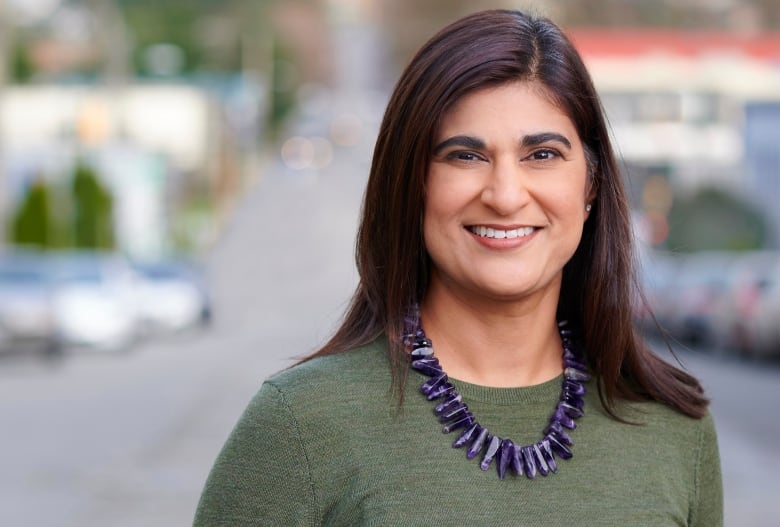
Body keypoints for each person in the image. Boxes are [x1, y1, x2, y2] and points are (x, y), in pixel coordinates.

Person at [194, 9, 723, 526]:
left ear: (590, 185)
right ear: (412, 185)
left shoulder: (675, 429)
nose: (506, 195)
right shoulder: (299, 428)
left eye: (541, 154)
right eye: (465, 156)